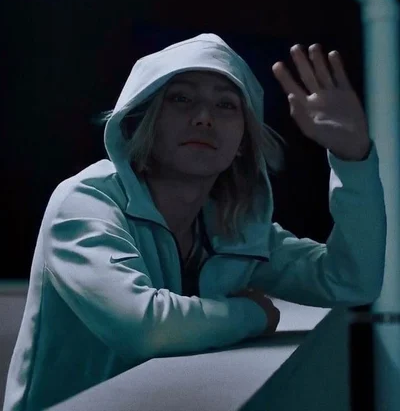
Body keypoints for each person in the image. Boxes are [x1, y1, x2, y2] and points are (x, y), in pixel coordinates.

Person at [3, 33, 386, 411]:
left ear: (243, 143)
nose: (204, 118)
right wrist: (252, 315)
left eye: (226, 105)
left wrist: (352, 157)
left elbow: (350, 281)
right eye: (182, 99)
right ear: (142, 122)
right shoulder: (86, 202)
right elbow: (144, 328)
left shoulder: (234, 229)